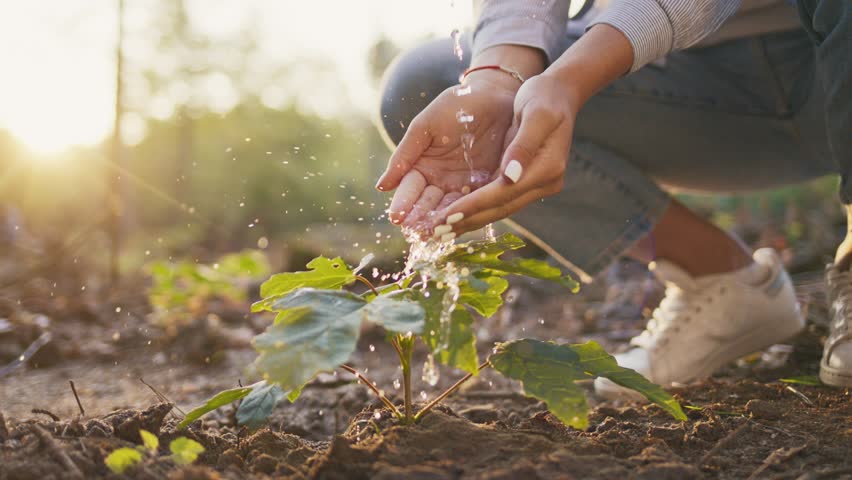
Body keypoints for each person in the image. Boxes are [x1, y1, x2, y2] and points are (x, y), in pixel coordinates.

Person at [375, 0, 851, 394]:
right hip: (689, 82)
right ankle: (722, 281)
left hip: (828, 51)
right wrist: (498, 79)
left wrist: (570, 81)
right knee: (427, 82)